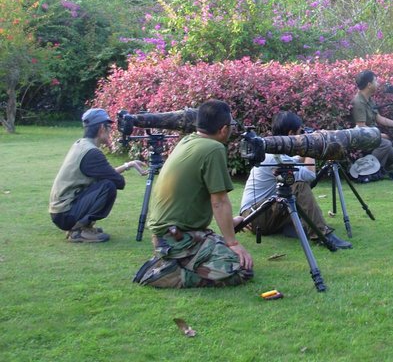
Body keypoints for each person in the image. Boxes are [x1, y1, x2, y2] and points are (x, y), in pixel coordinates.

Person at [133, 99, 253, 288]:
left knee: (226, 254)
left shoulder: (188, 140)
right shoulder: (213, 148)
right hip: (176, 238)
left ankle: (176, 262)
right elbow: (219, 202)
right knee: (241, 269)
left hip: (170, 233)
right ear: (223, 129)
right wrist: (233, 243)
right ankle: (169, 274)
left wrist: (230, 225)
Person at [239, 111, 352, 249]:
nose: (302, 136)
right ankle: (322, 235)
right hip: (254, 217)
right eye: (300, 133)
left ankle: (293, 227)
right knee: (298, 186)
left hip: (257, 213)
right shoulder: (274, 156)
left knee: (291, 187)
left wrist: (308, 146)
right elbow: (310, 176)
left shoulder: (274, 149)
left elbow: (295, 161)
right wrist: (312, 147)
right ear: (291, 133)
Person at [49, 108, 147, 243]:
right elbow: (118, 182)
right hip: (65, 214)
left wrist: (127, 165)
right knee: (109, 186)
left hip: (61, 211)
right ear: (102, 128)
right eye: (109, 127)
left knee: (105, 183)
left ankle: (82, 226)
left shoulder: (81, 145)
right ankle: (79, 231)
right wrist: (120, 172)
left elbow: (104, 173)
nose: (110, 131)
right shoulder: (92, 153)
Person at [351, 70, 393, 176]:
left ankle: (377, 169)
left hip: (371, 135)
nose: (378, 83)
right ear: (369, 85)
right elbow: (360, 126)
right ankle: (365, 171)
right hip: (361, 137)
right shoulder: (358, 102)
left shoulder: (369, 100)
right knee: (386, 144)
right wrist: (379, 136)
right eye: (375, 81)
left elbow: (378, 118)